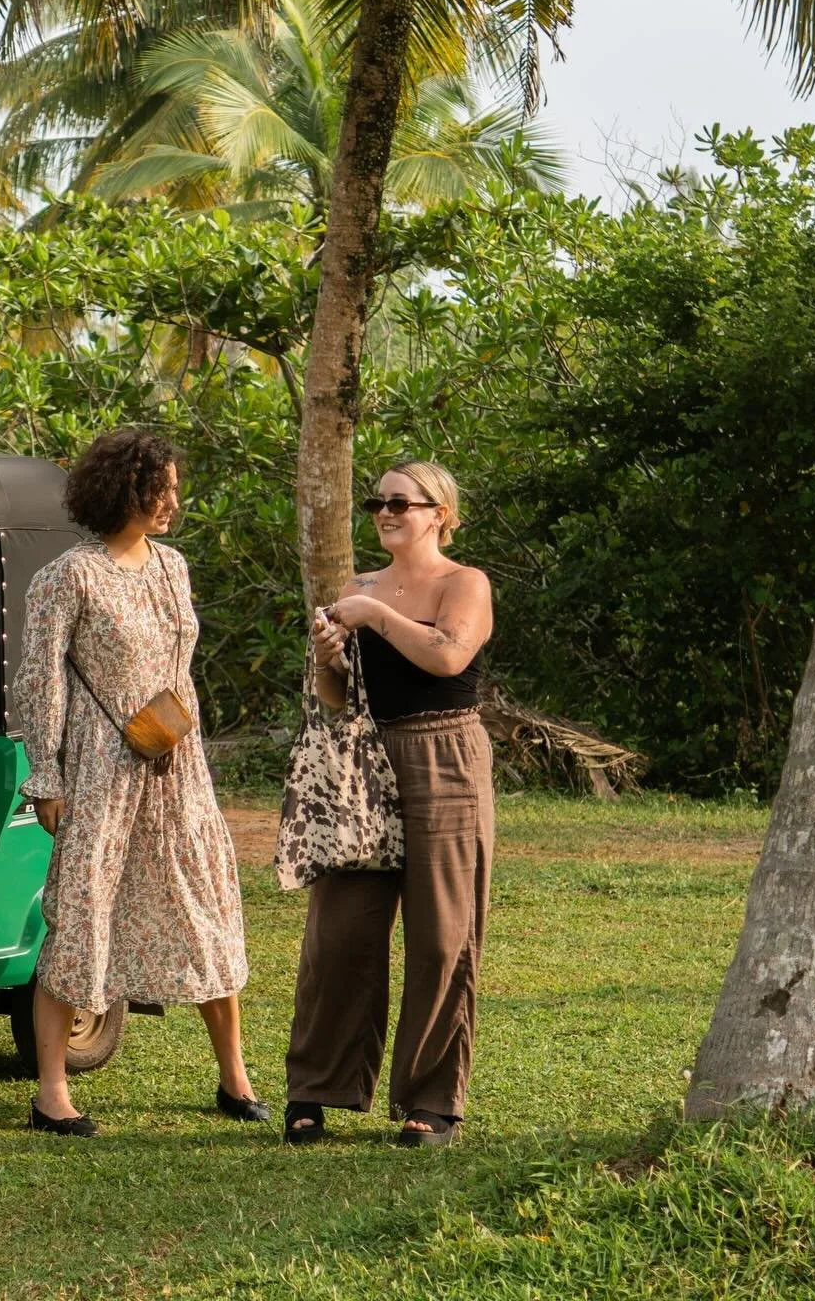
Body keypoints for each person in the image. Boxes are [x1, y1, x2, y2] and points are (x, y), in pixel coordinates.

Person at [16, 427, 264, 1137]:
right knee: (82, 912)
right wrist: (46, 777)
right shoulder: (69, 576)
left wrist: (181, 740)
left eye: (176, 489)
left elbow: (180, 665)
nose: (173, 503)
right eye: (163, 488)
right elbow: (40, 683)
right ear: (125, 490)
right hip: (97, 761)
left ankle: (234, 1076)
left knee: (205, 901)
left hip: (172, 760)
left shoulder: (173, 568)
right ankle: (53, 1092)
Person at [284, 459, 494, 1149]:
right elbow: (340, 698)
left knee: (441, 937)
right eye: (378, 502)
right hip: (364, 762)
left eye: (402, 503)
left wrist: (374, 615)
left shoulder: (465, 583)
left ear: (440, 513)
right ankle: (317, 1087)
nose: (386, 512)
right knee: (340, 932)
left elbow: (446, 657)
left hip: (445, 760)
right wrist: (328, 659)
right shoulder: (360, 585)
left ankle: (432, 1101)